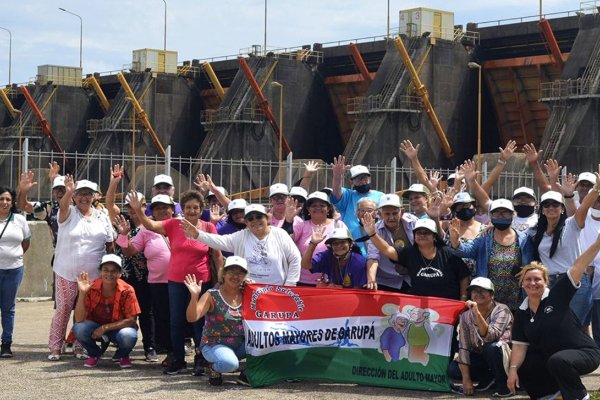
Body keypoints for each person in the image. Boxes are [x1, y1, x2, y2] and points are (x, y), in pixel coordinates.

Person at [128, 189, 224, 375]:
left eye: (196, 207)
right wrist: (138, 210)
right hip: (177, 281)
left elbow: (218, 256)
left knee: (200, 322)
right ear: (183, 208)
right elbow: (149, 225)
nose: (191, 211)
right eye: (188, 207)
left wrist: (219, 280)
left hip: (201, 281)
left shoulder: (208, 228)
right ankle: (178, 360)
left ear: (201, 209)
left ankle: (201, 360)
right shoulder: (174, 224)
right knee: (176, 321)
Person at [507, 232, 600, 400]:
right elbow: (520, 346)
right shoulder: (521, 312)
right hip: (554, 359)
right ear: (522, 284)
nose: (532, 283)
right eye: (528, 279)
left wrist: (597, 244)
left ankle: (580, 396)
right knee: (526, 364)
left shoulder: (557, 296)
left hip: (584, 353)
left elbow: (578, 266)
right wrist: (512, 370)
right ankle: (550, 395)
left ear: (546, 282)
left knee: (558, 360)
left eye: (537, 279)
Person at [48, 177, 114, 361]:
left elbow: (110, 243)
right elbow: (62, 206)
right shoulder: (68, 212)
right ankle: (55, 346)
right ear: (74, 196)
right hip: (66, 272)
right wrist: (68, 190)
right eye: (80, 194)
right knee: (63, 309)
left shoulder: (102, 215)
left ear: (94, 196)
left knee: (84, 311)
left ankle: (80, 346)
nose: (84, 198)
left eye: (88, 194)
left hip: (93, 275)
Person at [115, 193, 175, 361]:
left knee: (180, 317)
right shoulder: (145, 230)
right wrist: (124, 235)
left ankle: (186, 350)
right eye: (158, 208)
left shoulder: (181, 225)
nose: (162, 211)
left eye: (166, 207)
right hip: (157, 282)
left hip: (180, 281)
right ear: (152, 212)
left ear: (172, 210)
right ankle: (170, 352)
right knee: (161, 318)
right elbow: (129, 251)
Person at [181, 204, 301, 286]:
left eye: (259, 217)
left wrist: (290, 284)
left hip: (278, 291)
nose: (255, 220)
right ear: (246, 222)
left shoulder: (280, 234)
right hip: (249, 291)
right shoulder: (241, 236)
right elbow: (219, 241)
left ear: (267, 218)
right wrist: (197, 234)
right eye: (250, 218)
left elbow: (295, 258)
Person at [450, 199, 534, 312]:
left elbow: (532, 263)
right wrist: (455, 241)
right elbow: (466, 251)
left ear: (512, 214)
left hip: (516, 298)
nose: (501, 215)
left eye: (505, 212)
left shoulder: (523, 238)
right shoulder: (484, 237)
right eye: (497, 212)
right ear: (491, 216)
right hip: (489, 298)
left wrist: (527, 270)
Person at [363, 216, 469, 300]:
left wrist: (463, 298)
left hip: (447, 306)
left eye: (426, 232)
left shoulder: (447, 253)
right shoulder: (410, 253)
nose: (422, 235)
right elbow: (387, 250)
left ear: (434, 236)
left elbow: (464, 276)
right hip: (420, 309)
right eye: (418, 232)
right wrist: (372, 234)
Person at [184, 256, 249, 386]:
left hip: (241, 344)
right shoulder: (211, 295)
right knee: (230, 364)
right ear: (223, 274)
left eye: (240, 273)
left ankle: (248, 373)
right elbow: (192, 317)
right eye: (231, 272)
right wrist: (194, 296)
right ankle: (213, 367)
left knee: (269, 346)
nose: (236, 276)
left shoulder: (248, 294)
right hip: (215, 344)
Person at [447, 277, 513, 397]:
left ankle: (503, 385)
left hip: (502, 356)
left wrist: (477, 313)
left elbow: (491, 337)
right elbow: (463, 347)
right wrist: (466, 380)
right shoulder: (465, 316)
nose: (478, 294)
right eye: (474, 291)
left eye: (482, 290)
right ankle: (488, 377)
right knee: (453, 369)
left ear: (491, 294)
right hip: (480, 355)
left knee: (491, 348)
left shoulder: (502, 310)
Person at [72, 254, 141, 368]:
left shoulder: (128, 290)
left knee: (129, 335)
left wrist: (105, 328)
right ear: (100, 272)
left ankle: (122, 355)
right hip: (95, 327)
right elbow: (79, 319)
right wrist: (82, 293)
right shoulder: (91, 287)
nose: (109, 274)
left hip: (118, 329)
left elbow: (131, 320)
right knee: (78, 328)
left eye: (114, 271)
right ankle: (94, 354)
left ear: (120, 273)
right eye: (106, 270)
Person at [0, 186, 31, 357]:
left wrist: (14, 256)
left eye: (8, 200)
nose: (4, 202)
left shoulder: (19, 220)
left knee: (8, 307)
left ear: (12, 203)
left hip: (14, 270)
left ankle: (6, 343)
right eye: (1, 199)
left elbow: (26, 242)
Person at [366, 194, 417, 292]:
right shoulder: (374, 230)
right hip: (387, 281)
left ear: (402, 212)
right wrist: (371, 279)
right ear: (380, 215)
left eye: (395, 213)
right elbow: (373, 257)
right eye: (387, 214)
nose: (391, 217)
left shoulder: (413, 222)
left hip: (413, 277)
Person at [294, 191, 347, 286]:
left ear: (328, 208)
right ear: (308, 209)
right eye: (314, 205)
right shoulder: (301, 226)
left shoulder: (338, 225)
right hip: (302, 281)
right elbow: (288, 242)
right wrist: (289, 220)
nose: (318, 208)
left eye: (322, 205)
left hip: (331, 282)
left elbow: (347, 252)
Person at [330, 155, 383, 241]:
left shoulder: (381, 196)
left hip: (376, 243)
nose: (363, 181)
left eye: (365, 178)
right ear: (352, 181)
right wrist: (337, 176)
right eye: (359, 179)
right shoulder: (348, 195)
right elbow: (336, 193)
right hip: (352, 246)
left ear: (370, 178)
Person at [301, 227, 367, 288]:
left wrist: (339, 288)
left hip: (350, 297)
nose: (339, 246)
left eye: (342, 242)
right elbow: (305, 265)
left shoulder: (358, 261)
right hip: (332, 295)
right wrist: (313, 243)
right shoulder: (327, 255)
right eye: (335, 243)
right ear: (331, 246)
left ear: (351, 244)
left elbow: (359, 289)